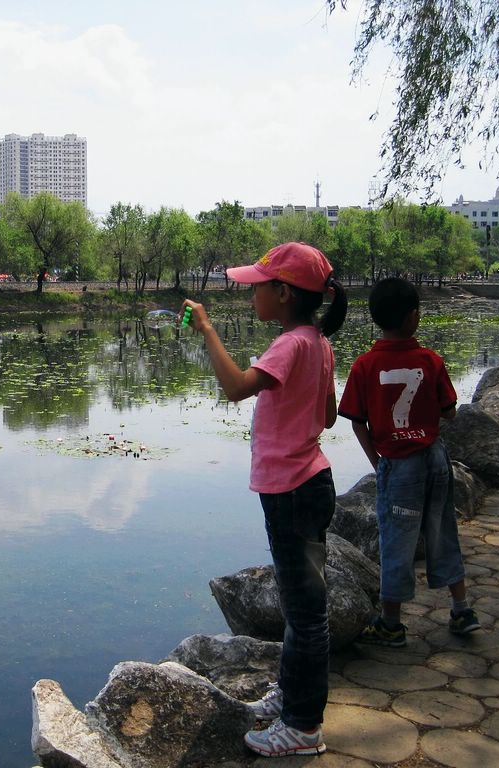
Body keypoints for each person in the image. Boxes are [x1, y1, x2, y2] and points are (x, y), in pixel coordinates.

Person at [181, 241, 347, 759]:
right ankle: (292, 698)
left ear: (284, 292)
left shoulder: (289, 345)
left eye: (258, 285)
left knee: (305, 613)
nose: (251, 292)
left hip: (292, 492)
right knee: (303, 608)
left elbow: (234, 388)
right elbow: (327, 416)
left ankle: (302, 727)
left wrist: (208, 331)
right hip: (309, 483)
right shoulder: (317, 342)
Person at [337, 277, 480, 648]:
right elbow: (449, 413)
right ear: (414, 317)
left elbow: (356, 420)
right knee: (443, 530)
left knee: (395, 541)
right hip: (433, 459)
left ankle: (391, 623)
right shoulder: (430, 360)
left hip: (398, 465)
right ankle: (462, 608)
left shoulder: (364, 366)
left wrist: (378, 461)